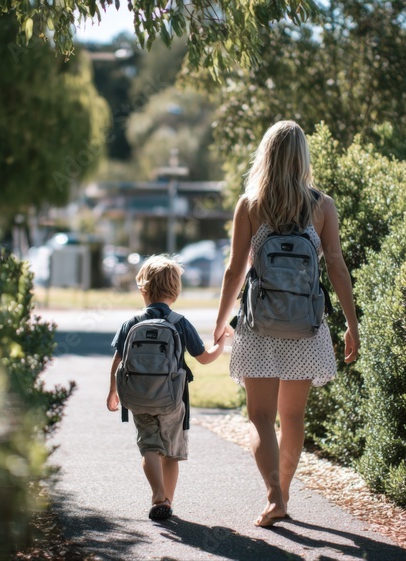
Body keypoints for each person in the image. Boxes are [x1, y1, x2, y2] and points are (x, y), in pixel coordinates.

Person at [212, 120, 360, 527]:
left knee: (260, 416)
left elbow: (234, 271)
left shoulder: (250, 204)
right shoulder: (322, 205)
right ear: (303, 157)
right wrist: (352, 324)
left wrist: (221, 322)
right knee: (292, 418)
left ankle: (274, 494)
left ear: (267, 155)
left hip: (258, 328)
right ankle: (284, 494)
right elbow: (336, 267)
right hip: (306, 328)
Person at [107, 255, 229, 520]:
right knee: (171, 454)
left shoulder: (131, 323)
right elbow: (205, 358)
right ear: (175, 291)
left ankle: (157, 495)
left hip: (138, 399)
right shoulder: (180, 322)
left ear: (143, 289)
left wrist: (113, 391)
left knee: (149, 447)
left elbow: (118, 360)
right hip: (173, 400)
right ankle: (167, 501)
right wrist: (221, 343)